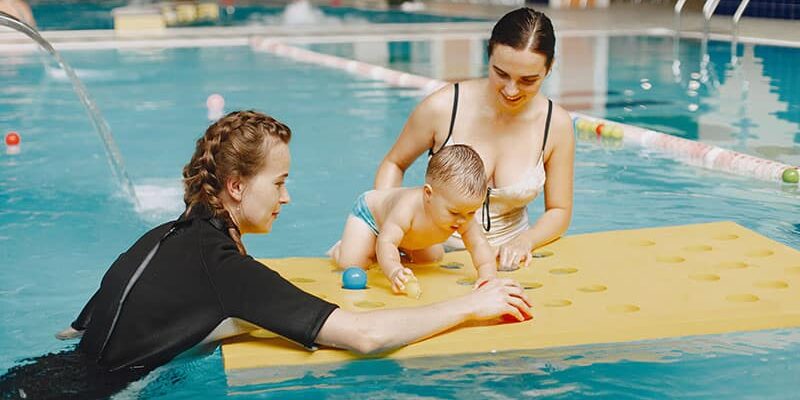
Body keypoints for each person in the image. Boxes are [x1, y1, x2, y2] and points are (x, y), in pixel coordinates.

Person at [1, 111, 531, 399]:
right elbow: (366, 337)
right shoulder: (228, 270)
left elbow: (75, 331)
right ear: (235, 186)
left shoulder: (164, 235)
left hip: (37, 376)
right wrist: (470, 307)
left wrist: (212, 325)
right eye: (278, 183)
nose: (286, 197)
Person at [374, 8, 575, 271]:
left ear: (549, 68)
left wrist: (526, 241)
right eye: (501, 73)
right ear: (488, 55)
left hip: (511, 260)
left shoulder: (556, 125)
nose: (512, 90)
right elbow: (394, 163)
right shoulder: (444, 107)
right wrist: (390, 229)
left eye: (528, 80)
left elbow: (559, 210)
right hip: (433, 255)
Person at [330, 144, 497, 294]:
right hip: (371, 216)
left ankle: (385, 252)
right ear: (428, 194)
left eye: (471, 213)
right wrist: (394, 270)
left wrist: (487, 275)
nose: (463, 220)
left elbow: (478, 244)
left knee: (431, 260)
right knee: (353, 262)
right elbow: (386, 242)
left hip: (405, 234)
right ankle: (343, 249)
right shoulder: (406, 208)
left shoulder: (462, 212)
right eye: (454, 212)